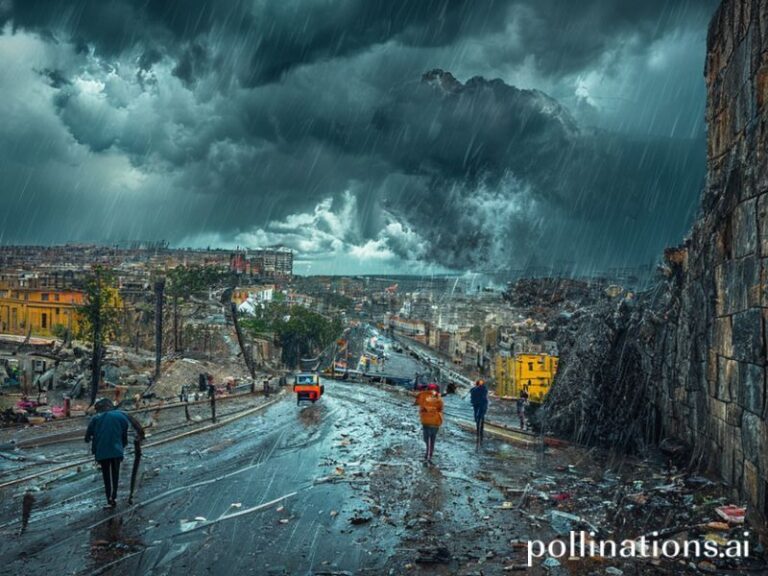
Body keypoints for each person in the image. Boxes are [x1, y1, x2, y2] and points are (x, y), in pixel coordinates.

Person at [85, 398, 131, 508]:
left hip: (102, 452)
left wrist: (90, 440)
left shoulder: (95, 419)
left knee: (106, 475)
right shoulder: (121, 416)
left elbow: (88, 435)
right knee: (115, 473)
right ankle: (114, 496)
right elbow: (124, 433)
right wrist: (123, 444)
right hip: (116, 450)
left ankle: (108, 498)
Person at [414, 383, 443, 464]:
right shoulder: (438, 397)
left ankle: (427, 452)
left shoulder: (423, 396)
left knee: (426, 438)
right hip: (435, 421)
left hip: (426, 421)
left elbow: (417, 401)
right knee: (433, 439)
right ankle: (430, 455)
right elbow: (441, 407)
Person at [470, 379, 489, 445]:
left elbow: (484, 396)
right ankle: (479, 429)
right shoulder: (478, 389)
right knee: (479, 416)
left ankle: (480, 429)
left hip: (480, 404)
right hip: (479, 404)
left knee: (480, 416)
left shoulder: (480, 389)